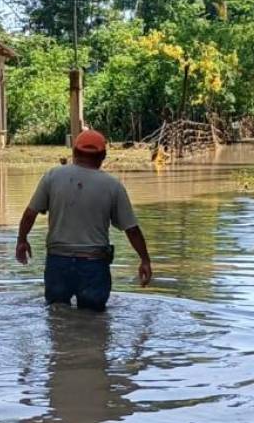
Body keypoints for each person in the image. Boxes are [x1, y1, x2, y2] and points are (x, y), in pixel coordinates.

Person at [15, 129, 153, 311]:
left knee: (57, 318)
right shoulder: (113, 186)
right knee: (94, 322)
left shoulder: (52, 177)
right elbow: (132, 229)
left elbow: (30, 213)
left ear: (74, 152)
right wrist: (144, 260)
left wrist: (22, 240)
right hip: (93, 265)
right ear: (103, 156)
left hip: (58, 262)